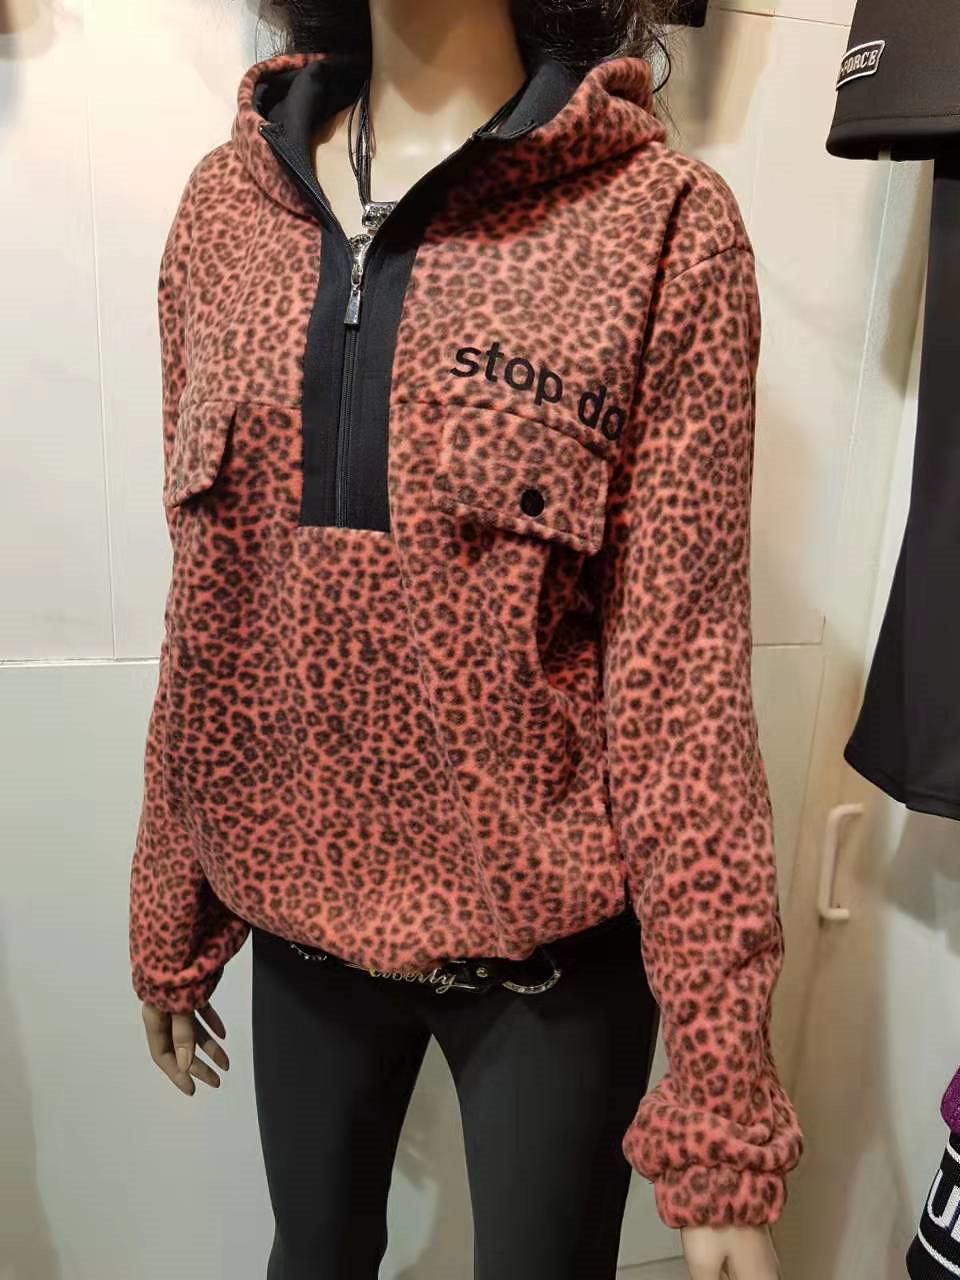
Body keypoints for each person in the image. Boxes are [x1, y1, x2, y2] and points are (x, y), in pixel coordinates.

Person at [128, 1, 804, 1276]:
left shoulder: (660, 224)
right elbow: (209, 608)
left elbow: (684, 689)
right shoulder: (225, 214)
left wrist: (720, 1106)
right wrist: (172, 910)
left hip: (549, 959)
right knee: (311, 1255)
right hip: (303, 926)